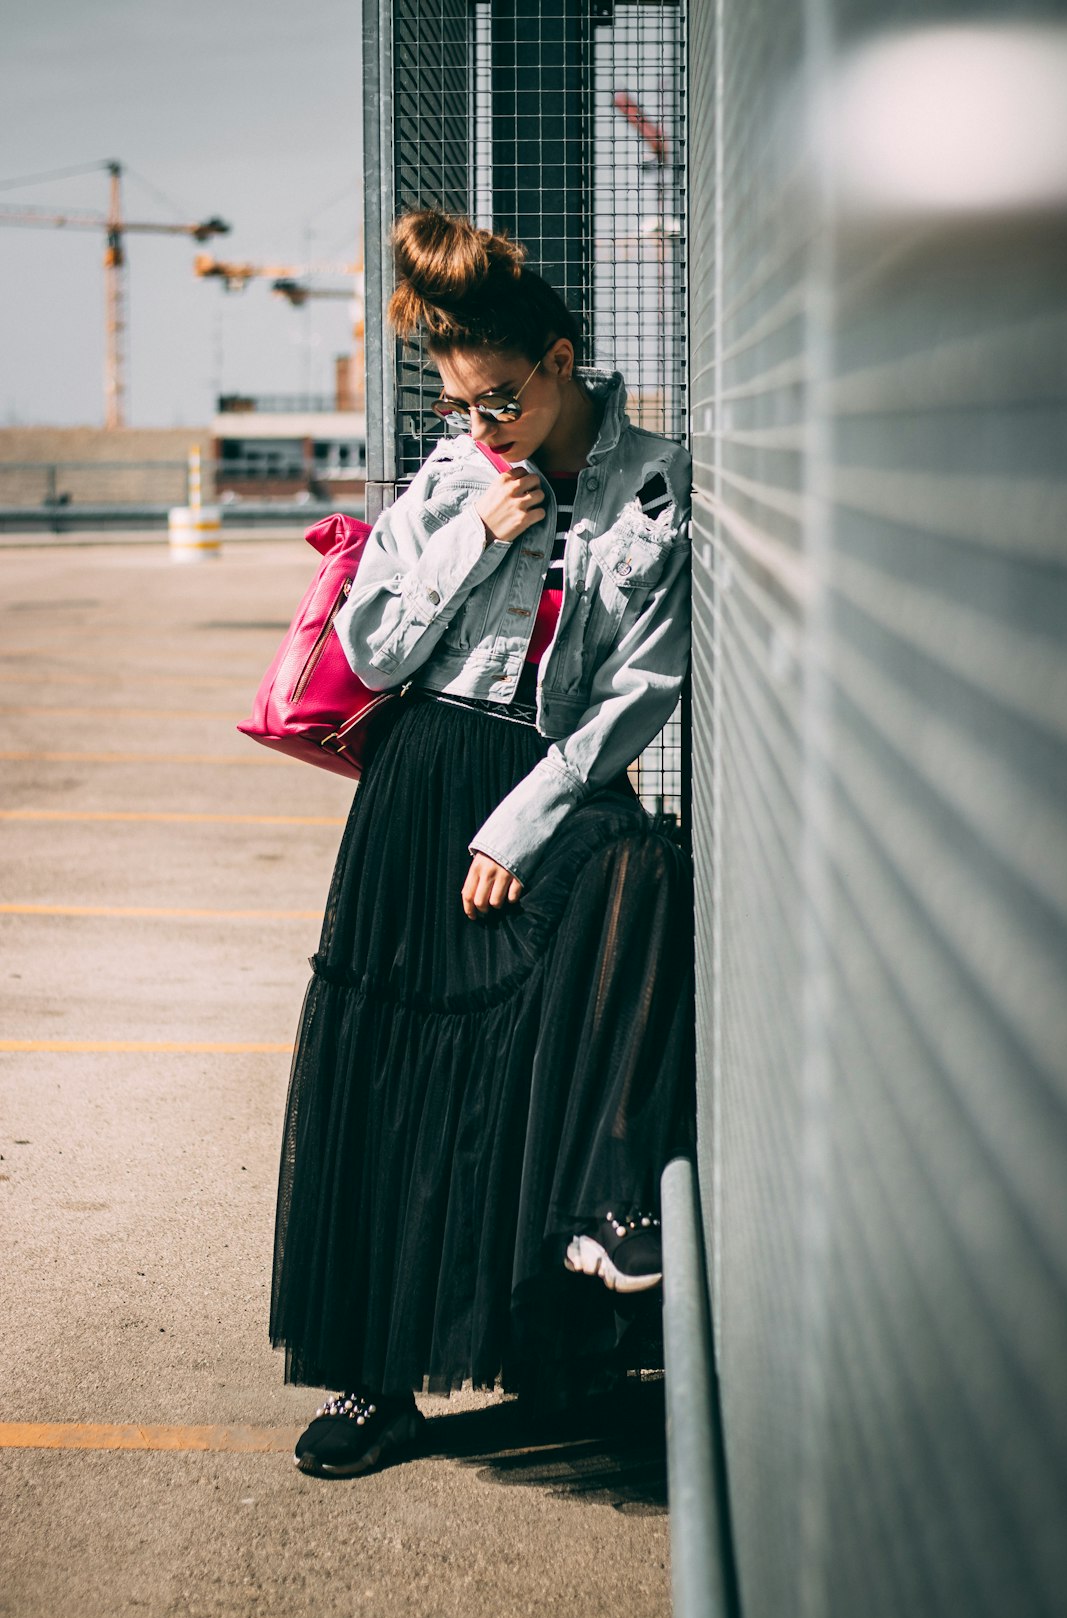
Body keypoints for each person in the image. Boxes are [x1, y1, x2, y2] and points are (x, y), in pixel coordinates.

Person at [270, 208, 694, 1479]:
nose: (483, 425)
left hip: (541, 791)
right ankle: (373, 1387)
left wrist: (521, 823)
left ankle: (578, 1272)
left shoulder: (657, 482)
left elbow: (639, 691)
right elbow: (371, 653)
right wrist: (478, 533)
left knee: (634, 886)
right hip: (418, 792)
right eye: (461, 404)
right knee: (393, 1085)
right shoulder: (451, 478)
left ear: (562, 363)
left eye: (502, 397)